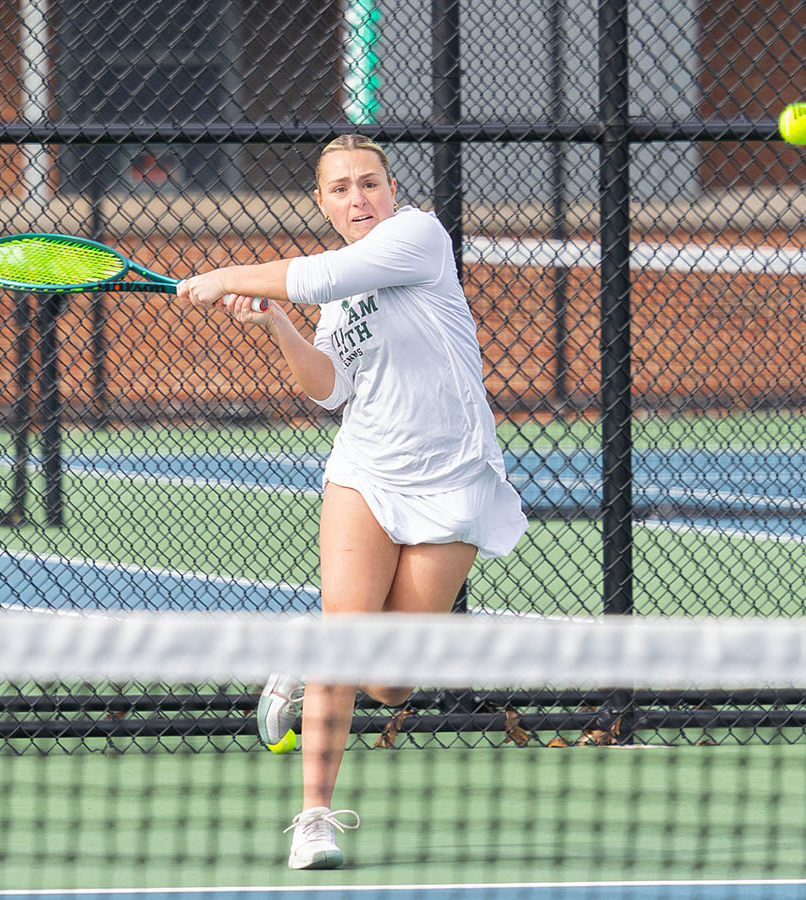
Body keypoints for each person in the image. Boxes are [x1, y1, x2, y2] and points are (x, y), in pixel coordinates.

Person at [176, 134, 528, 870]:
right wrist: (276, 322)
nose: (357, 198)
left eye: (368, 183)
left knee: (391, 679)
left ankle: (304, 659)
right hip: (366, 474)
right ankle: (313, 817)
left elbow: (320, 275)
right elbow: (332, 388)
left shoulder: (417, 237)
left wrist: (227, 275)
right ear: (323, 202)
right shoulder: (338, 291)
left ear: (392, 190)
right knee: (348, 631)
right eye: (340, 189)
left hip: (454, 480)